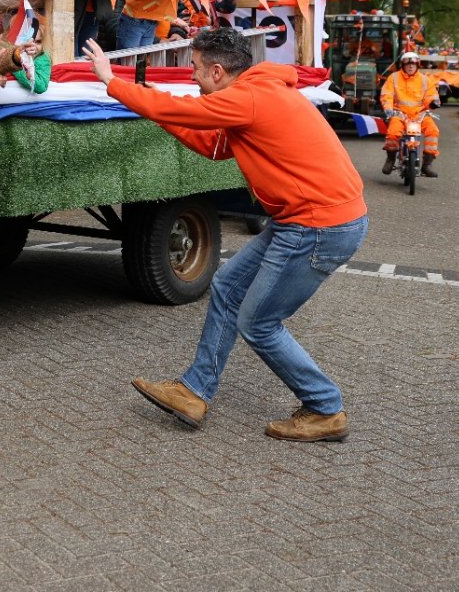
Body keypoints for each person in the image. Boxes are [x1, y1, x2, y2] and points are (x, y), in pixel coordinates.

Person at [85, 27, 368, 443]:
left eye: (196, 69)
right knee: (227, 286)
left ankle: (325, 408)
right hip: (305, 220)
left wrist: (113, 82)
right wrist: (158, 114)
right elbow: (214, 147)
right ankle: (194, 392)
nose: (193, 78)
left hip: (317, 225)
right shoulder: (257, 93)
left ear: (217, 71)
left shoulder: (251, 98)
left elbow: (188, 114)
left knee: (259, 323)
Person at [380, 50, 441, 177]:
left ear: (418, 65)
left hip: (420, 115)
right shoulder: (394, 78)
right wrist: (388, 108)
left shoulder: (425, 80)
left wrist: (434, 102)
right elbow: (387, 94)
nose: (411, 66)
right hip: (399, 113)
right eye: (408, 64)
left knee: (433, 131)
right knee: (392, 133)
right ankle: (390, 159)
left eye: (413, 64)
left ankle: (427, 164)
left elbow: (431, 95)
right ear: (403, 65)